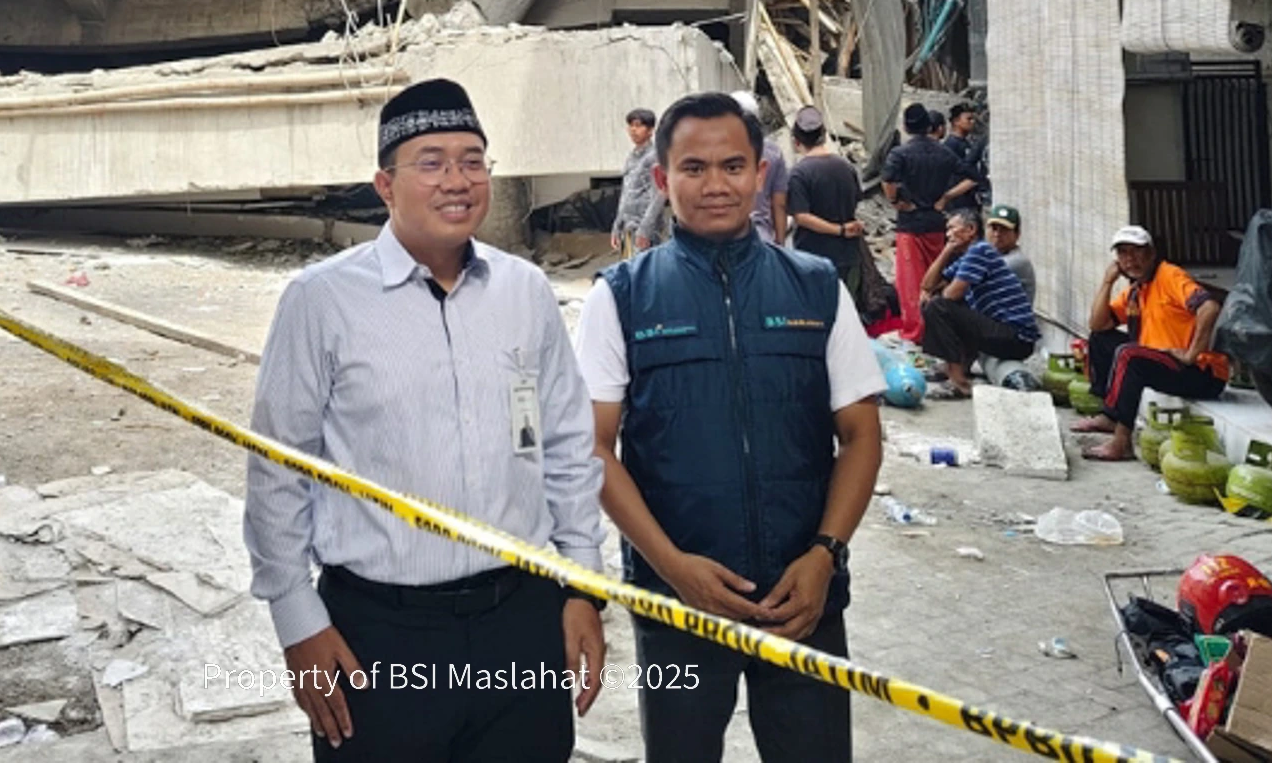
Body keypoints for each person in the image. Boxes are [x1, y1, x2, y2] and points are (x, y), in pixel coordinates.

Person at [244, 78, 607, 762]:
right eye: (432, 161)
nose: (457, 180)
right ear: (385, 184)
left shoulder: (524, 292)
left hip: (520, 617)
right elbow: (277, 468)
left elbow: (563, 442)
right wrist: (297, 619)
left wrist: (582, 585)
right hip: (379, 634)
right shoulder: (322, 302)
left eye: (473, 160)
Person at [576, 92, 885, 763]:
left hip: (802, 597)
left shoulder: (814, 288)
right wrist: (671, 567)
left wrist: (823, 554)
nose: (715, 184)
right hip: (675, 604)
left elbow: (861, 433)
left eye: (732, 165)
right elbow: (593, 448)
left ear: (759, 172)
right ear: (662, 179)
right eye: (693, 167)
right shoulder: (621, 296)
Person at [1072, 226, 1228, 462]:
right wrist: (1107, 281)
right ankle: (1110, 415)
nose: (1129, 259)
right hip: (1162, 361)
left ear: (1152, 253)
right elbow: (1098, 323)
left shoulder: (1169, 276)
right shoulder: (1136, 290)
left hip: (1200, 373)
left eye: (1136, 252)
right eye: (1123, 253)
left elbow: (1210, 307)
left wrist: (1191, 354)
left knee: (1129, 355)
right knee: (1101, 340)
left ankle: (1121, 442)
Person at [879, 105, 976, 344]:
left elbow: (887, 179)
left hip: (910, 224)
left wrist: (895, 201)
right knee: (937, 277)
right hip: (936, 223)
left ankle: (915, 331)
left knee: (910, 282)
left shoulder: (900, 154)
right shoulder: (944, 153)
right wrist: (946, 197)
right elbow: (973, 176)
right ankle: (937, 330)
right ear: (930, 126)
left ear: (906, 127)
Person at [917, 209, 1039, 399]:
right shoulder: (970, 256)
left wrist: (937, 293)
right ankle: (957, 368)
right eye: (993, 228)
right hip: (1003, 332)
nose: (948, 234)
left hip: (1017, 337)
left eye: (952, 229)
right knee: (940, 305)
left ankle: (959, 382)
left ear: (971, 230)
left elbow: (950, 295)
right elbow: (927, 284)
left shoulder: (981, 251)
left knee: (939, 306)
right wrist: (947, 249)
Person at [785, 105, 865, 297]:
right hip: (847, 256)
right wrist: (843, 229)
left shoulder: (799, 173)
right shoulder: (846, 167)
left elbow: (802, 217)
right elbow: (855, 200)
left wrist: (839, 230)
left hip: (813, 256)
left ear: (796, 142)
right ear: (824, 135)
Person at [730, 91, 789, 245]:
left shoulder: (718, 151)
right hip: (761, 236)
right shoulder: (773, 152)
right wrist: (780, 244)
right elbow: (779, 203)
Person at [612, 107, 669, 257]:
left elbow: (660, 194)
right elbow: (626, 193)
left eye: (638, 125)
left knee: (645, 274)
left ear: (650, 130)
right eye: (631, 125)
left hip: (646, 229)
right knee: (629, 273)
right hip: (628, 227)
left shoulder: (654, 157)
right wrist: (617, 225)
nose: (633, 130)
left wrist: (645, 229)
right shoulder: (631, 158)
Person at [986, 204, 1035, 308]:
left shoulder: (1018, 261)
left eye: (1004, 230)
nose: (997, 234)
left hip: (1009, 323)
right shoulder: (989, 254)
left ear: (1017, 234)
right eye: (994, 228)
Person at [943, 103, 989, 206]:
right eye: (968, 119)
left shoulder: (968, 142)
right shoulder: (950, 145)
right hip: (958, 199)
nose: (972, 122)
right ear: (956, 121)